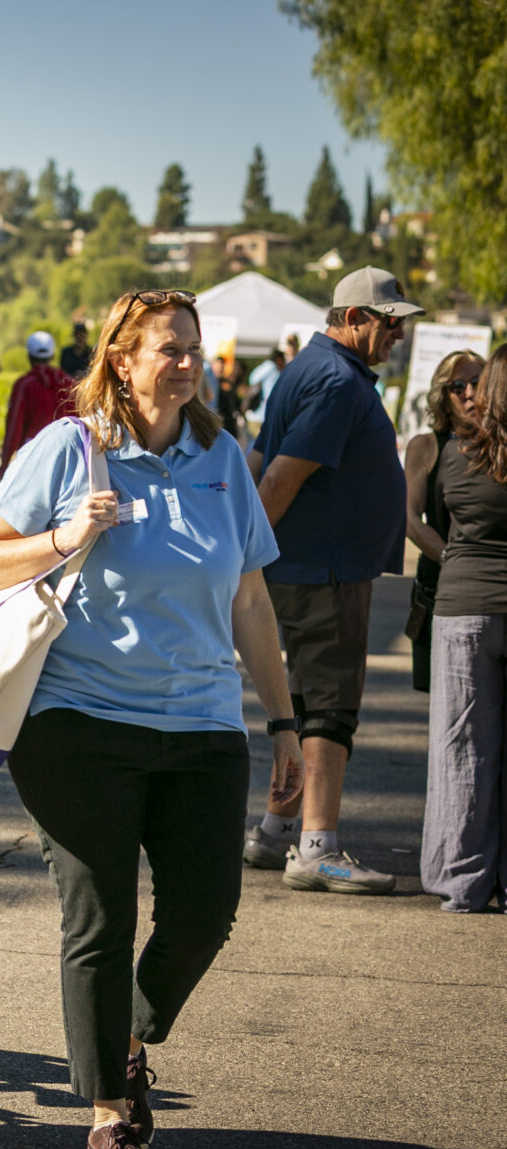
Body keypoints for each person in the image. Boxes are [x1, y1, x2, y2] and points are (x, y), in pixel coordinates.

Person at [0, 287, 301, 1149]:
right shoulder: (69, 449)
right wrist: (64, 536)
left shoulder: (223, 458)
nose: (186, 363)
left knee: (204, 914)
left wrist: (284, 722)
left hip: (202, 724)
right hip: (77, 722)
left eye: (192, 347)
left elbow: (251, 598)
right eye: (167, 348)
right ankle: (110, 1117)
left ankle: (127, 1040)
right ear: (122, 358)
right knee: (101, 918)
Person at [243, 266, 421, 890]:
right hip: (325, 572)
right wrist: (241, 560)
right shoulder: (337, 380)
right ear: (354, 318)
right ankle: (318, 847)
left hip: (312, 567)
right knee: (329, 707)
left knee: (301, 706)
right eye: (390, 322)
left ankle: (275, 831)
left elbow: (258, 459)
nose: (398, 335)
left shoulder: (306, 370)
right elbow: (276, 479)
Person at [424, 344, 507, 913]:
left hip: (463, 609)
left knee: (462, 749)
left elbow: (439, 521)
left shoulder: (455, 454)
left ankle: (462, 880)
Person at [403, 350, 485, 691]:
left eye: (478, 382)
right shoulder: (425, 447)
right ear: (443, 396)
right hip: (439, 587)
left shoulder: (499, 446)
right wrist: (451, 559)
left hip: (493, 589)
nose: (470, 393)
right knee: (445, 699)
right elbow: (409, 518)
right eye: (458, 386)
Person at [0, 331, 76, 476]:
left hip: (31, 458)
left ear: (29, 356)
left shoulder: (24, 385)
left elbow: (14, 427)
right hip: (65, 460)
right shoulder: (70, 384)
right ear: (52, 355)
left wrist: (4, 466)